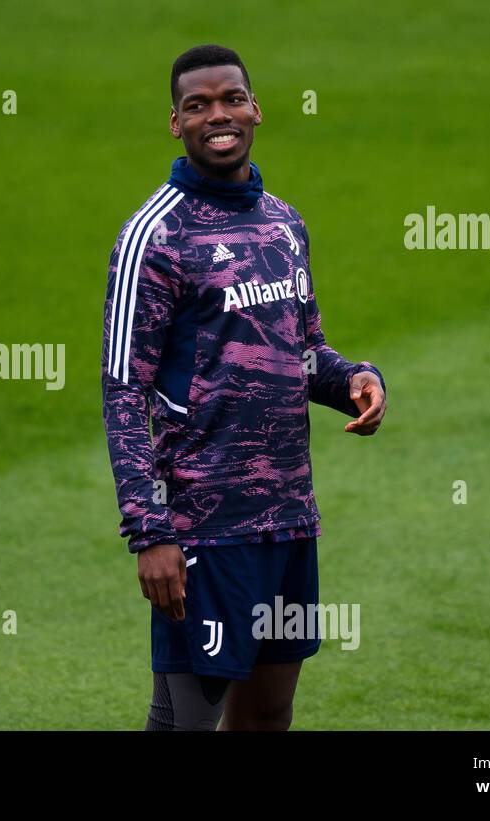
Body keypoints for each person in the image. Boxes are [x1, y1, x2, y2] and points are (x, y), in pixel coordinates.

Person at [100, 44, 387, 731]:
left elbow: (302, 350)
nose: (217, 115)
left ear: (255, 108)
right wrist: (149, 532)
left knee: (267, 717)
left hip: (288, 521)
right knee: (187, 722)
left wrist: (354, 380)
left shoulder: (284, 223)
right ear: (175, 123)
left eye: (230, 98)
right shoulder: (156, 235)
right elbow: (122, 391)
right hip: (204, 529)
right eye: (197, 105)